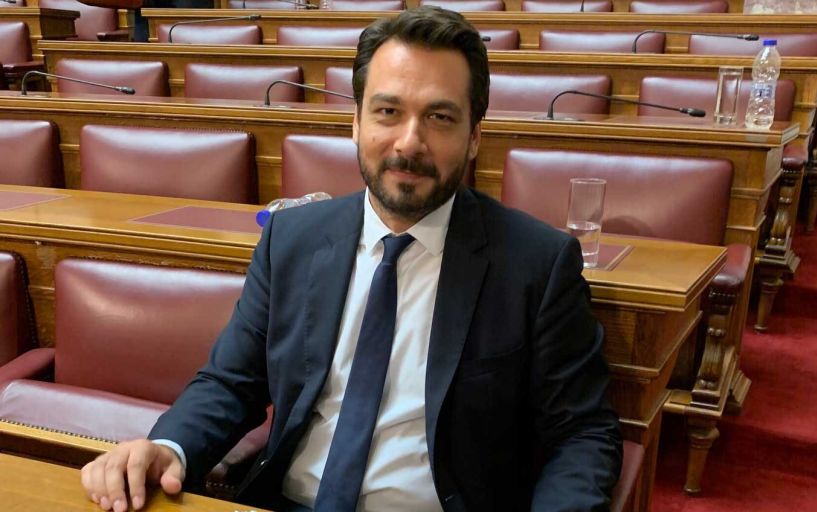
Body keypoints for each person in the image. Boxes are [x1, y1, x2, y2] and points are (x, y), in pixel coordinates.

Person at [80, 6, 622, 511]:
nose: (409, 142)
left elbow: (581, 434)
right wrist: (169, 447)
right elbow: (231, 382)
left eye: (439, 117)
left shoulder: (537, 265)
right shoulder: (291, 239)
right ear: (356, 122)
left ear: (475, 136)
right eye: (388, 111)